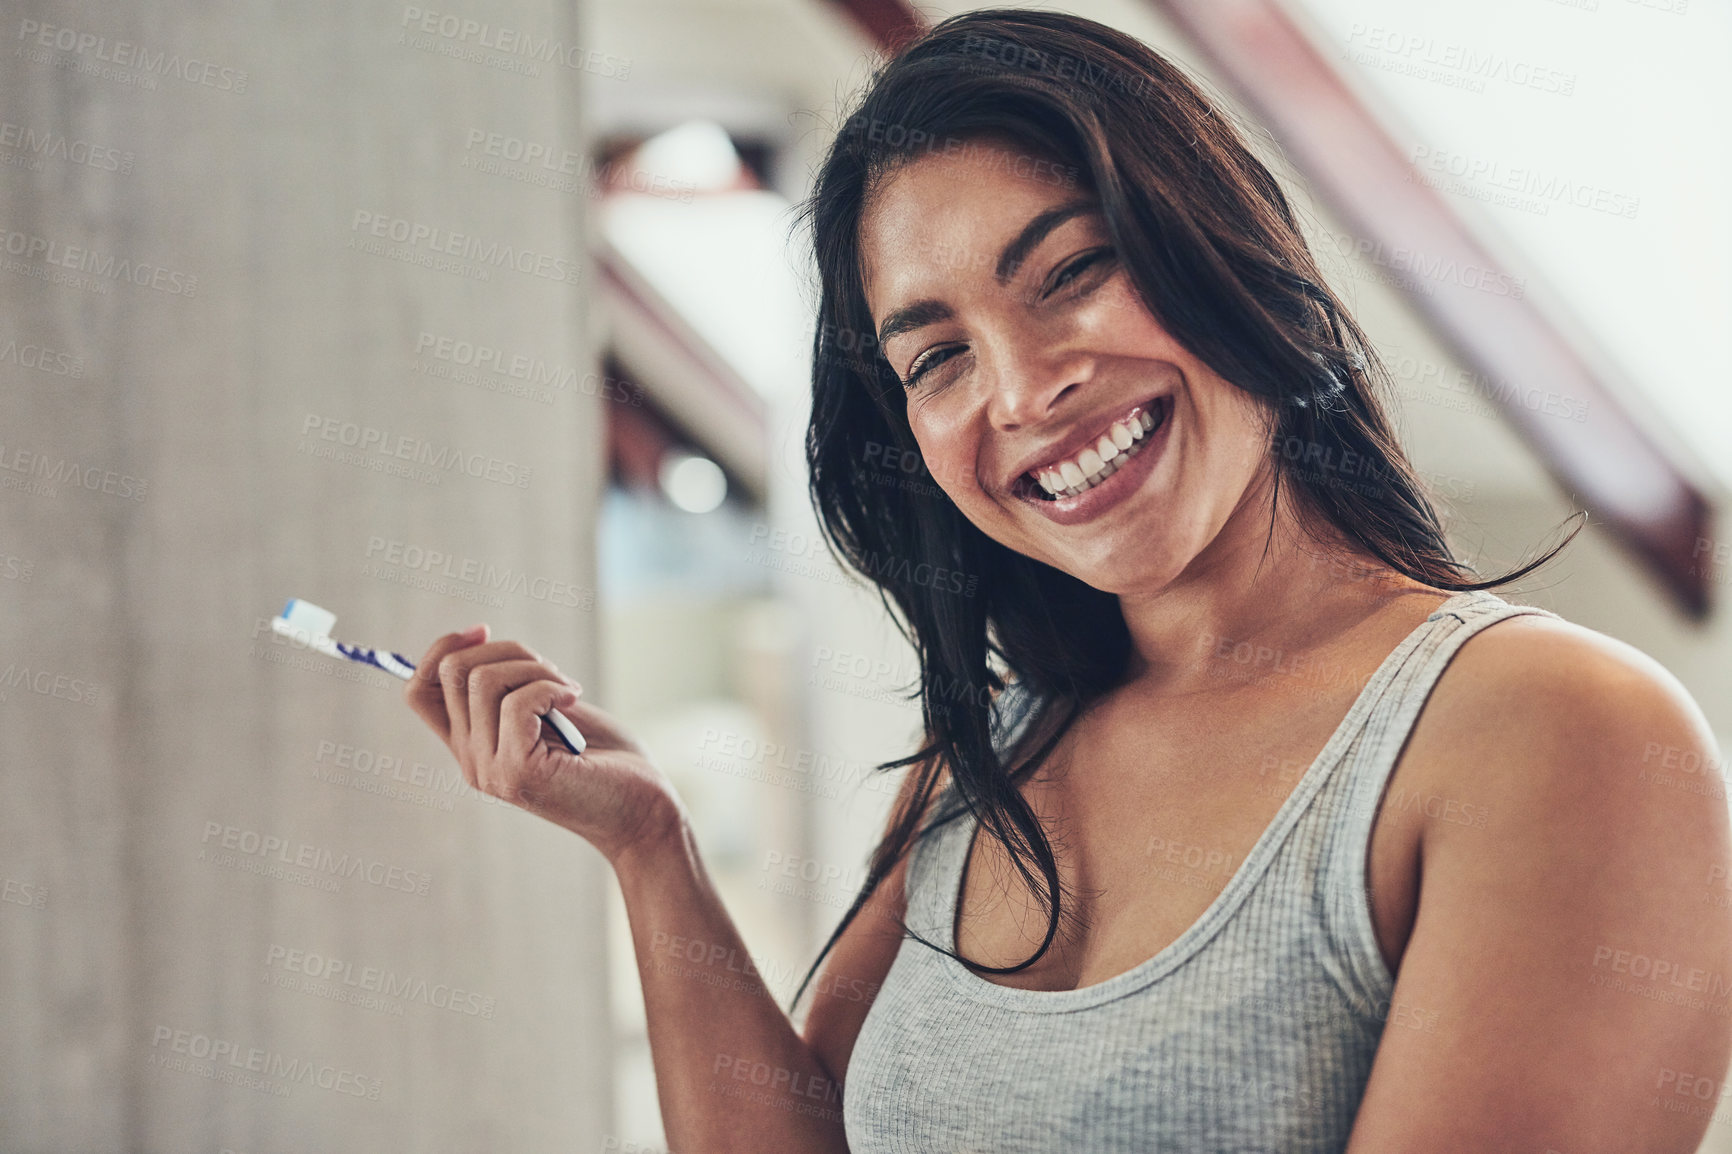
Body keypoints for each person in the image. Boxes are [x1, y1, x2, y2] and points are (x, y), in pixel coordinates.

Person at [405, 10, 1731, 1152]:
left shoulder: (1558, 728)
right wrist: (651, 848)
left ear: (1223, 246)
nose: (1026, 392)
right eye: (938, 361)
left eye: (1073, 273)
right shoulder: (991, 745)